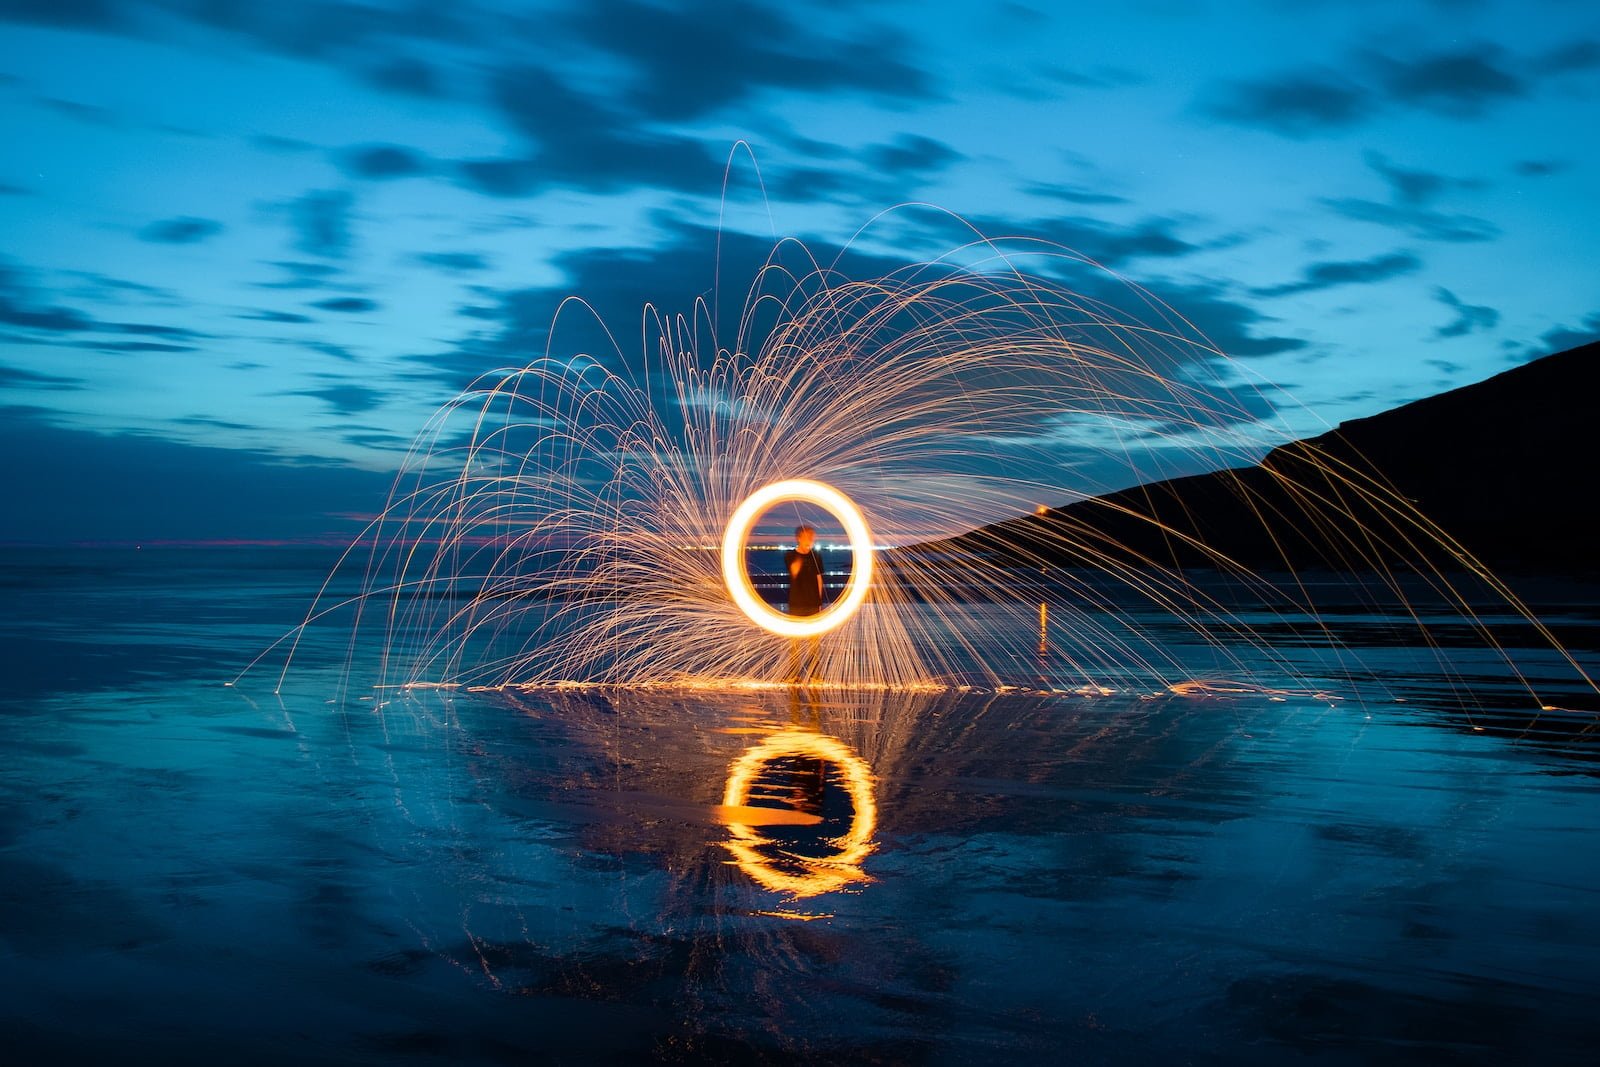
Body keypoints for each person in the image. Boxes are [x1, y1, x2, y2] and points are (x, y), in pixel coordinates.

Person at [785, 524, 825, 683]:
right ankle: (794, 675)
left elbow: (819, 578)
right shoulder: (790, 555)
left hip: (813, 603)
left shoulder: (817, 556)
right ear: (799, 538)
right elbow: (794, 572)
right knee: (795, 642)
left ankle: (815, 676)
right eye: (808, 536)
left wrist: (820, 602)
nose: (811, 540)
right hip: (796, 603)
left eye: (812, 537)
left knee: (814, 643)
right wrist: (802, 555)